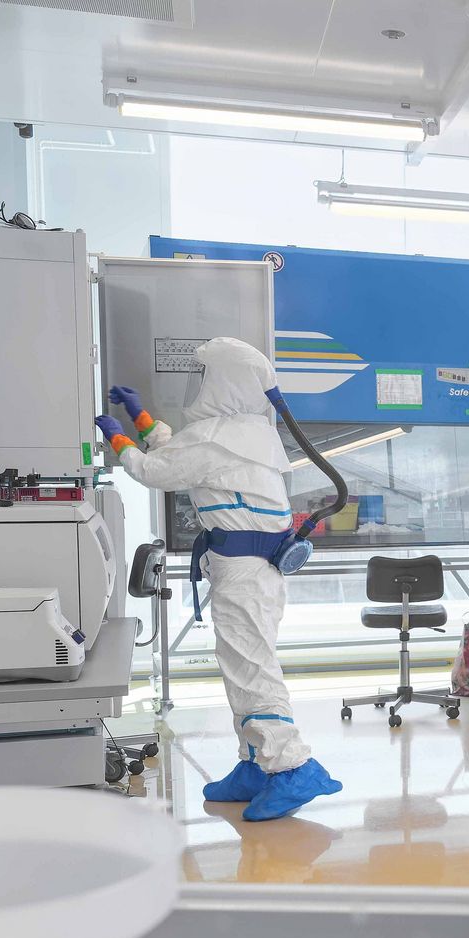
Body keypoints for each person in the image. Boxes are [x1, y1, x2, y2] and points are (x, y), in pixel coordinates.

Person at [96, 337, 341, 821]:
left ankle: (292, 768)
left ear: (223, 380)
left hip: (247, 575)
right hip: (253, 573)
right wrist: (142, 419)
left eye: (203, 374)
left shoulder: (219, 439)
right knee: (242, 668)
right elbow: (183, 455)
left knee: (253, 673)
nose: (197, 384)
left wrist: (118, 437)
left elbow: (155, 469)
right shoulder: (242, 433)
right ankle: (255, 764)